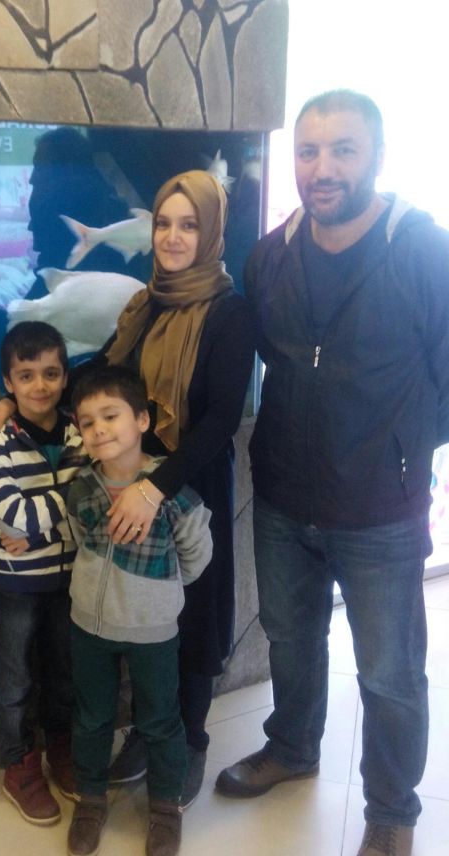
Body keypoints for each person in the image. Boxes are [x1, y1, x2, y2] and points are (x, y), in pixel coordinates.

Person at [216, 90, 449, 856]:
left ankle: (392, 810)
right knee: (290, 637)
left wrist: (402, 450)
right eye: (308, 151)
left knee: (388, 673)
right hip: (284, 497)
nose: (322, 168)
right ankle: (292, 747)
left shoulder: (424, 250)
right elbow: (268, 359)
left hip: (382, 509)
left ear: (376, 154)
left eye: (342, 150)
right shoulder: (271, 256)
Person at [0, 169, 256, 808]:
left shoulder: (231, 313)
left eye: (189, 225)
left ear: (213, 231)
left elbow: (221, 418)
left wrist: (157, 489)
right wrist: (18, 399)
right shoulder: (143, 305)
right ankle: (152, 733)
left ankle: (189, 741)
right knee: (142, 615)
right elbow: (94, 376)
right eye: (164, 223)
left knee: (194, 614)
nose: (173, 237)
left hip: (188, 484)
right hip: (124, 481)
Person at [66, 365, 212, 856]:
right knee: (91, 716)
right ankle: (90, 799)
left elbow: (197, 554)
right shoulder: (82, 486)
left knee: (160, 719)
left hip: (153, 630)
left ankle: (166, 808)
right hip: (89, 626)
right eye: (88, 422)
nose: (99, 429)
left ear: (142, 420)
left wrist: (162, 593)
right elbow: (77, 539)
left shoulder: (170, 491)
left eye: (111, 416)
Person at [0, 320, 88, 826]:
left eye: (50, 373)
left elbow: (92, 498)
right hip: (17, 579)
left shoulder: (79, 432)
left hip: (70, 577)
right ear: (8, 382)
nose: (39, 385)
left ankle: (61, 747)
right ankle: (18, 763)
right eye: (26, 376)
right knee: (15, 674)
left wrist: (41, 528)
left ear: (65, 376)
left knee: (65, 669)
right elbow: (11, 516)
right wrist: (66, 503)